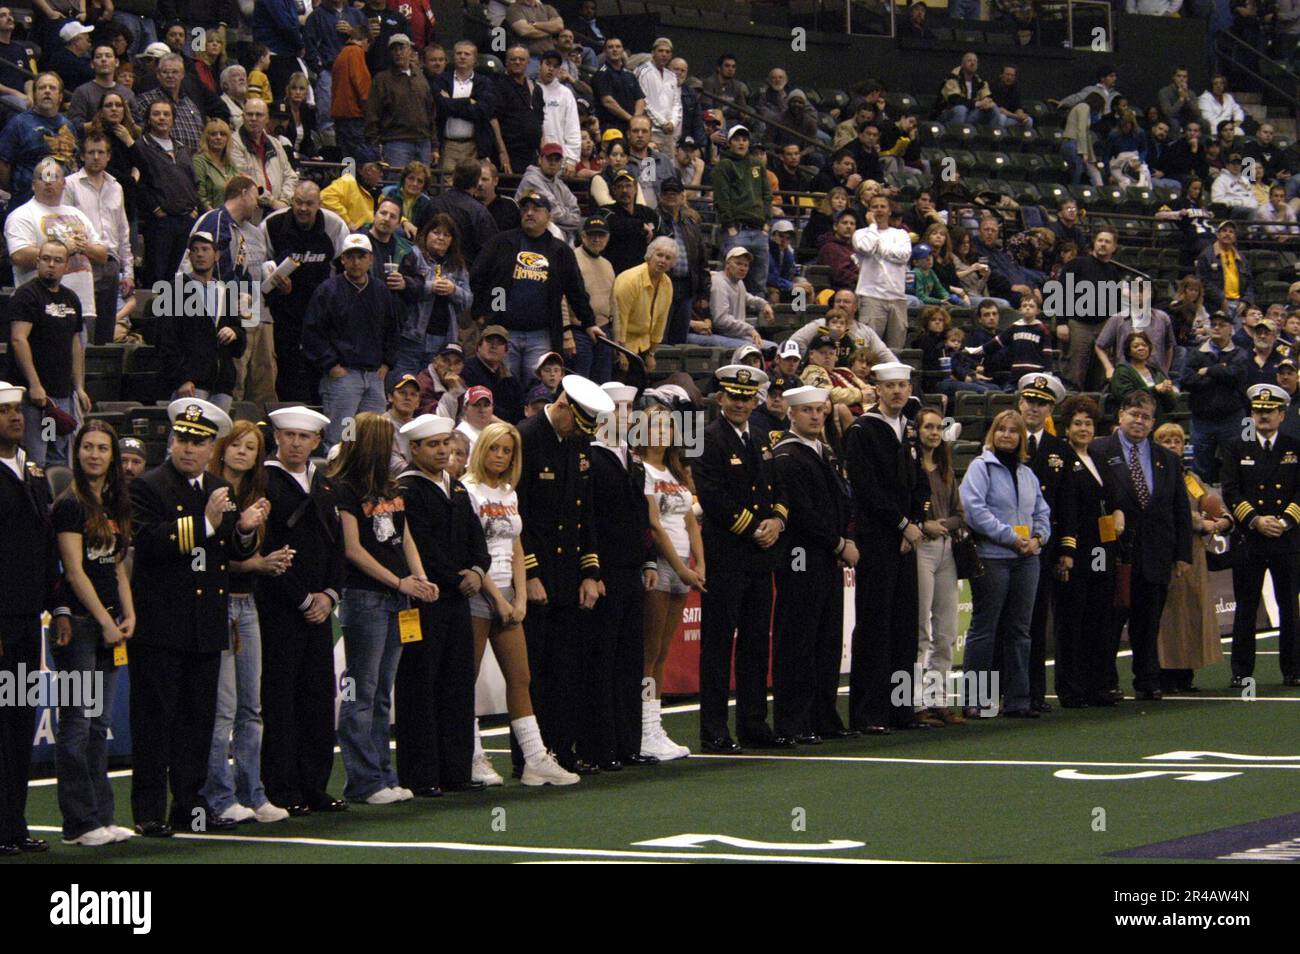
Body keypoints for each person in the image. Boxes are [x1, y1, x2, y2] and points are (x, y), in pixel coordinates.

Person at [128, 398, 266, 837]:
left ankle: (189, 805)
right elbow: (149, 543)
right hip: (162, 623)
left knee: (197, 722)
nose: (189, 448)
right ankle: (150, 810)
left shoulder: (216, 488)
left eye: (199, 442)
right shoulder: (148, 486)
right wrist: (205, 524)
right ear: (171, 441)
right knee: (156, 721)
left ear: (211, 448)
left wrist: (243, 528)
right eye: (183, 439)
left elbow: (229, 552)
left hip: (206, 623)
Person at [461, 420, 578, 786]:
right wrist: (498, 598)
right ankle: (474, 757)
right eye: (494, 448)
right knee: (469, 680)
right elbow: (472, 549)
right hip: (478, 596)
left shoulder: (510, 493)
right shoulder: (468, 490)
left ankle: (534, 758)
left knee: (521, 678)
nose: (500, 456)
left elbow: (516, 546)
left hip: (510, 596)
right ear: (482, 450)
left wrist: (521, 597)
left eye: (507, 450)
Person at [330, 412, 437, 805]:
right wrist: (398, 581)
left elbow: (404, 537)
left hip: (398, 596)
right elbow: (352, 549)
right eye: (388, 441)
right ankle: (364, 780)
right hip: (365, 597)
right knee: (362, 689)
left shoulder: (392, 488)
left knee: (381, 692)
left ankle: (382, 774)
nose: (394, 449)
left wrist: (420, 578)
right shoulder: (343, 488)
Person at [515, 375, 612, 774]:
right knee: (536, 671)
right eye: (577, 422)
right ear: (563, 406)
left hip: (570, 574)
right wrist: (531, 572)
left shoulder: (576, 442)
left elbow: (582, 511)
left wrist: (591, 571)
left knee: (567, 668)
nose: (579, 432)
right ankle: (531, 758)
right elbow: (517, 514)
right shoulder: (525, 438)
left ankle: (562, 748)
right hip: (538, 575)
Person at [197, 421, 292, 825]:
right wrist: (253, 559)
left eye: (250, 447)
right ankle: (219, 796)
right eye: (236, 444)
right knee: (223, 709)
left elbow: (244, 549)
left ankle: (254, 792)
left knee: (251, 707)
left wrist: (256, 550)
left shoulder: (257, 496)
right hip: (217, 604)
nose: (242, 452)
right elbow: (207, 554)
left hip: (247, 604)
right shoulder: (209, 491)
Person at [256, 406, 347, 816]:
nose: (295, 443)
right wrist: (303, 598)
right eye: (288, 435)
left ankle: (315, 785)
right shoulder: (265, 483)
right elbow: (268, 549)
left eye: (303, 437)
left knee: (316, 698)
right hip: (280, 607)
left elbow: (336, 547)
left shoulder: (323, 485)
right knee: (281, 699)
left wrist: (329, 593)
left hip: (320, 607)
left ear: (316, 442)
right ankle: (282, 787)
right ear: (277, 438)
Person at [391, 415, 488, 795]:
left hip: (459, 601)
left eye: (446, 442)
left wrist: (479, 569)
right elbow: (421, 546)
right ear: (414, 449)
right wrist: (457, 576)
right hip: (426, 600)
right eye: (433, 445)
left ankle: (456, 769)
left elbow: (475, 538)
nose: (443, 450)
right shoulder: (407, 491)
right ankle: (421, 775)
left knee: (457, 683)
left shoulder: (458, 489)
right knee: (421, 685)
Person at [50, 421, 136, 846]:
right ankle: (79, 824)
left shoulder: (114, 503)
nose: (95, 455)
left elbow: (116, 565)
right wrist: (104, 620)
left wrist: (129, 613)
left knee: (99, 725)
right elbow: (73, 569)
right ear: (77, 452)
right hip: (81, 627)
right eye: (87, 447)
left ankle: (102, 816)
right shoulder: (70, 505)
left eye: (103, 448)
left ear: (112, 456)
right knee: (76, 726)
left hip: (109, 625)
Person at [695, 364, 788, 751]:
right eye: (734, 396)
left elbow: (778, 486)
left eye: (747, 398)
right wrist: (755, 527)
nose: (741, 404)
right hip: (726, 556)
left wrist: (778, 521)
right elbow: (713, 496)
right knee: (718, 645)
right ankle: (715, 727)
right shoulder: (708, 439)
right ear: (721, 398)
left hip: (761, 558)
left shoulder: (764, 437)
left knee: (755, 644)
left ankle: (753, 722)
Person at [769, 386, 859, 741]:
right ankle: (794, 721)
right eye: (807, 410)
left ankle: (824, 716)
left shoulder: (825, 451)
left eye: (820, 410)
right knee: (799, 641)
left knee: (826, 640)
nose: (816, 416)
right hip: (801, 557)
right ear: (792, 414)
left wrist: (846, 537)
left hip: (827, 556)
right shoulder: (787, 456)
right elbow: (803, 512)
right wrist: (839, 542)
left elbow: (842, 500)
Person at [842, 362, 929, 731]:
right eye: (890, 386)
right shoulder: (863, 430)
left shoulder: (908, 429)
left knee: (905, 624)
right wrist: (902, 525)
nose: (897, 392)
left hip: (905, 541)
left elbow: (918, 483)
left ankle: (901, 707)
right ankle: (868, 712)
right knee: (875, 625)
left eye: (902, 385)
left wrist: (916, 522)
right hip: (877, 538)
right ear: (877, 389)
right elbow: (866, 488)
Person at [0, 378, 66, 856]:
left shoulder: (32, 473)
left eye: (17, 410)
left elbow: (47, 550)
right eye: (4, 412)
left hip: (27, 623)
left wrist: (58, 605)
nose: (15, 418)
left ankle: (13, 824)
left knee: (19, 721)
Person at [1095, 390, 1193, 701]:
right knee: (1110, 623)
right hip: (1115, 553)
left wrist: (1183, 554)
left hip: (1156, 553)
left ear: (1153, 423)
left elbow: (1179, 509)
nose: (1139, 421)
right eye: (1133, 414)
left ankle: (1148, 681)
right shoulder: (1098, 450)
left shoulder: (1167, 458)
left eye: (1145, 417)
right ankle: (1106, 682)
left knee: (1148, 623)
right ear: (1120, 415)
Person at [958, 410, 1051, 718]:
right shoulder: (980, 467)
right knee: (985, 628)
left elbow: (1042, 510)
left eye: (1014, 431)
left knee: (1020, 631)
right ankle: (975, 699)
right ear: (993, 434)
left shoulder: (1027, 473)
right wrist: (1011, 537)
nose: (1008, 435)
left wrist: (1039, 537)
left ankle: (1018, 699)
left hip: (1027, 559)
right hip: (992, 557)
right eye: (1002, 430)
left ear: (1021, 437)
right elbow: (974, 510)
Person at [587, 384, 659, 769]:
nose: (625, 415)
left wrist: (648, 560)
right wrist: (593, 569)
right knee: (604, 658)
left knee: (630, 658)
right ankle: (603, 745)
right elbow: (591, 522)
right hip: (606, 571)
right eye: (617, 407)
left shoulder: (630, 458)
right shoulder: (592, 458)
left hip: (632, 569)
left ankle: (629, 742)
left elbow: (639, 518)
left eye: (629, 408)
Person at [469, 192, 602, 383]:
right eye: (525, 209)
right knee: (503, 384)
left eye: (536, 209)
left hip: (541, 333)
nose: (529, 213)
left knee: (537, 387)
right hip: (503, 331)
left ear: (549, 216)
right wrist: (481, 311)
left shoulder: (560, 250)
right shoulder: (502, 243)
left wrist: (589, 322)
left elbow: (576, 290)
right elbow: (479, 276)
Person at [1221, 383, 1300, 688]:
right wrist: (1255, 519)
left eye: (1269, 412)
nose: (1263, 417)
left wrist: (1285, 521)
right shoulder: (1236, 446)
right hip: (1250, 538)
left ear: (1282, 414)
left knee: (1289, 606)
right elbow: (1230, 490)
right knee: (1245, 606)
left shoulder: (1295, 447)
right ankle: (1241, 672)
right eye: (1258, 411)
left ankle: (1293, 669)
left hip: (1286, 538)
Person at [638, 402, 702, 760]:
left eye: (667, 426)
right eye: (655, 426)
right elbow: (655, 525)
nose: (662, 432)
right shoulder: (643, 470)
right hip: (662, 567)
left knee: (663, 652)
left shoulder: (675, 470)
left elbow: (690, 520)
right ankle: (645, 729)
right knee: (649, 653)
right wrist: (680, 567)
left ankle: (654, 724)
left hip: (683, 567)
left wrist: (700, 561)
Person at [1050, 395, 1122, 707]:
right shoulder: (1062, 457)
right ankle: (1072, 688)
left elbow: (1112, 496)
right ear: (1067, 426)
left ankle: (1098, 684)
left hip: (1103, 549)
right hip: (1075, 549)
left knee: (1100, 618)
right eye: (1078, 423)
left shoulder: (1099, 456)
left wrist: (1119, 511)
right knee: (1072, 620)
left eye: (1089, 423)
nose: (1084, 428)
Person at [302, 233, 403, 449]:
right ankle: (337, 481)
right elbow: (312, 334)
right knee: (342, 440)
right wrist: (331, 366)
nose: (356, 262)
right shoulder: (328, 291)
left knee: (370, 441)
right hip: (344, 379)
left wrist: (387, 363)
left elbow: (393, 330)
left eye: (361, 256)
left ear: (370, 259)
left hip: (374, 378)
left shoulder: (381, 292)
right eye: (351, 256)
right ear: (343, 260)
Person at [1153, 422, 1227, 693]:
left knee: (1192, 613)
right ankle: (1164, 673)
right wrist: (1198, 521)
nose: (1173, 445)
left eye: (1177, 441)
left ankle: (1186, 671)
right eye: (1166, 441)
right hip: (1168, 551)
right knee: (1168, 617)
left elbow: (1214, 504)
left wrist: (1222, 521)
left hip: (1194, 553)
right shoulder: (1156, 475)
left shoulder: (1191, 479)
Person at [260, 181, 350, 403]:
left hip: (321, 315)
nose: (303, 209)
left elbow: (346, 269)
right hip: (282, 313)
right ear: (292, 201)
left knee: (316, 373)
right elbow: (260, 267)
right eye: (298, 202)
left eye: (309, 204)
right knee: (286, 373)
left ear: (319, 204)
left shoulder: (335, 226)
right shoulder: (272, 225)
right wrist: (274, 283)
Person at [7, 240, 87, 469]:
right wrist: (34, 384)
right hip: (35, 399)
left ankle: (55, 504)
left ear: (66, 266)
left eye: (57, 260)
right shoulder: (27, 295)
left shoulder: (71, 298)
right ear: (38, 261)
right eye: (46, 259)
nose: (51, 265)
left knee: (58, 456)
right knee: (36, 458)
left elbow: (76, 344)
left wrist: (79, 387)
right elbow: (18, 339)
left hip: (60, 396)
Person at [7, 156, 107, 337]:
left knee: (76, 363)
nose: (48, 183)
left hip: (80, 306)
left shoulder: (78, 215)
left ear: (64, 184)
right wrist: (64, 249)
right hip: (41, 307)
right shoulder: (22, 214)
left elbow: (102, 254)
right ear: (33, 184)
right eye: (42, 178)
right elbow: (19, 255)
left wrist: (83, 247)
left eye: (54, 178)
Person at [911, 406, 966, 725]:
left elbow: (960, 512)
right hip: (922, 547)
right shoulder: (912, 467)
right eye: (927, 427)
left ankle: (939, 699)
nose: (933, 432)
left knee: (945, 631)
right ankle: (915, 703)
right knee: (921, 629)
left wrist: (943, 523)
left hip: (946, 547)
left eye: (937, 428)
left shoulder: (946, 469)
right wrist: (924, 523)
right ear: (917, 431)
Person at [156, 229, 246, 411]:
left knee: (218, 438)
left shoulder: (225, 291)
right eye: (195, 250)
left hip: (222, 385)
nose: (199, 254)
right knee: (187, 436)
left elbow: (240, 342)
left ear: (217, 255)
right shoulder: (173, 290)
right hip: (191, 385)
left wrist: (234, 332)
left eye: (205, 249)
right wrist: (181, 378)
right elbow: (165, 340)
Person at [133, 98, 202, 285]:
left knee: (181, 276)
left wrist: (194, 207)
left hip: (186, 219)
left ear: (173, 119)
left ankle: (176, 314)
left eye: (166, 114)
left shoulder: (181, 147)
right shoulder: (141, 146)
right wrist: (155, 209)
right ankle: (157, 314)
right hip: (161, 221)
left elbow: (193, 181)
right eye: (156, 114)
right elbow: (139, 186)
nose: (161, 118)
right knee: (157, 276)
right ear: (148, 119)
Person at [393, 213, 472, 376]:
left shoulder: (457, 264)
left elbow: (468, 300)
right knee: (404, 384)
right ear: (426, 234)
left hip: (444, 339)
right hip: (412, 336)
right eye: (436, 232)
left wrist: (454, 290)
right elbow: (403, 287)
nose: (441, 238)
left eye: (446, 235)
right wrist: (430, 287)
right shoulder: (413, 255)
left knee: (431, 391)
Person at [1181, 311, 1249, 482]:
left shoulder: (1241, 353)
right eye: (1214, 324)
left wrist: (1208, 371)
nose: (1217, 328)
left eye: (1222, 325)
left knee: (1234, 464)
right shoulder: (1196, 353)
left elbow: (1236, 376)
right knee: (1200, 468)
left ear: (1231, 329)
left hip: (1231, 418)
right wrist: (1222, 371)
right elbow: (1187, 380)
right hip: (1202, 419)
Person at [0, 72, 78, 210]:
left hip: (62, 204)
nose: (47, 91)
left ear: (60, 97)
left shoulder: (69, 126)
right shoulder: (18, 124)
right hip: (26, 203)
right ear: (35, 94)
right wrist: (16, 189)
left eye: (52, 88)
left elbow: (73, 163)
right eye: (42, 88)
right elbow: (3, 164)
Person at [713, 123, 771, 296]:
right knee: (730, 280)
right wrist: (730, 226)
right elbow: (722, 197)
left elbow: (767, 194)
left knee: (759, 282)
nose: (741, 143)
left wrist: (766, 222)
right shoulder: (724, 165)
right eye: (737, 139)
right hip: (737, 230)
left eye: (744, 139)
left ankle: (759, 320)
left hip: (759, 230)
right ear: (730, 143)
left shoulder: (757, 165)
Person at [366, 34, 435, 168]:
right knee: (395, 184)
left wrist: (434, 145)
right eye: (394, 49)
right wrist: (374, 145)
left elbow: (431, 112)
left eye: (401, 48)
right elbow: (372, 113)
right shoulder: (382, 80)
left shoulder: (420, 77)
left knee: (423, 184)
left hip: (423, 141)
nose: (398, 53)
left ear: (410, 50)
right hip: (396, 142)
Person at [854, 194, 912, 351]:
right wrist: (872, 226)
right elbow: (866, 248)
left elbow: (904, 255)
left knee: (896, 350)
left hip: (897, 297)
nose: (879, 210)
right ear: (869, 211)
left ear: (889, 211)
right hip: (872, 296)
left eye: (883, 206)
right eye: (875, 207)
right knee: (867, 348)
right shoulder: (860, 233)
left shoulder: (901, 234)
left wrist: (879, 248)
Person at [564, 215, 616, 382]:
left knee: (602, 384)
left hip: (604, 331)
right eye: (592, 234)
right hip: (578, 331)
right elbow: (562, 300)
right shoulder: (571, 259)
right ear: (583, 236)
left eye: (601, 235)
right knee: (580, 384)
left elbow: (614, 304)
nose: (596, 239)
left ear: (607, 238)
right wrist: (567, 334)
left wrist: (617, 337)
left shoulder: (607, 264)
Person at [434, 40, 496, 176]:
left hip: (473, 146)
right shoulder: (442, 80)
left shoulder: (484, 83)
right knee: (447, 186)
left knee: (471, 185)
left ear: (474, 59)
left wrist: (451, 103)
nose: (462, 56)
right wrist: (468, 101)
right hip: (448, 146)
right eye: (459, 53)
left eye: (467, 54)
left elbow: (482, 111)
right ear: (453, 57)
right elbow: (441, 107)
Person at [613, 236, 676, 368]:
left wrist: (652, 353)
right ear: (650, 255)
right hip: (621, 344)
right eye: (659, 255)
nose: (663, 261)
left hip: (644, 345)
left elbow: (661, 321)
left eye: (668, 258)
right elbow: (620, 319)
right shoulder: (629, 280)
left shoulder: (667, 284)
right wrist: (621, 352)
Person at [514, 141, 584, 242]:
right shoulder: (531, 180)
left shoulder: (559, 183)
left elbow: (576, 214)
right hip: (529, 228)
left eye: (556, 160)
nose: (552, 163)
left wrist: (563, 218)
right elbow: (552, 210)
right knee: (552, 229)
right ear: (540, 160)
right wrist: (567, 218)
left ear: (561, 163)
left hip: (560, 229)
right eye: (549, 159)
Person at [491, 45, 544, 176]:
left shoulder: (535, 88)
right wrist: (502, 152)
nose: (517, 62)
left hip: (531, 154)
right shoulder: (498, 85)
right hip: (509, 152)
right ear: (506, 62)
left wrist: (542, 151)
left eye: (521, 59)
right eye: (513, 59)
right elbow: (493, 119)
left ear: (528, 62)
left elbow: (540, 121)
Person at [1108, 330, 1179, 421]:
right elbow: (1125, 397)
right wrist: (1155, 389)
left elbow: (1171, 405)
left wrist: (1168, 391)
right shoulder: (1122, 371)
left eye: (1144, 345)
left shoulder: (1155, 372)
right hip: (1133, 420)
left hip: (1156, 421)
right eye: (1136, 346)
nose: (1141, 348)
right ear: (1129, 351)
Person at [67, 44, 137, 131]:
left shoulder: (127, 93)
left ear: (116, 62)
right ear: (92, 64)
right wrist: (102, 122)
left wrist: (129, 120)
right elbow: (73, 126)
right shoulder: (82, 92)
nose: (103, 59)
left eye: (108, 56)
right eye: (98, 57)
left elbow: (139, 127)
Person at [331, 25, 372, 160]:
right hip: (353, 115)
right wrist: (368, 110)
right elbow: (360, 82)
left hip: (341, 116)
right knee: (360, 160)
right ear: (365, 40)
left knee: (347, 161)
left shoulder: (342, 54)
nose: (367, 50)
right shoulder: (355, 52)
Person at [591, 36, 644, 137]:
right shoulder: (601, 74)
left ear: (622, 50)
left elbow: (640, 99)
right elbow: (608, 102)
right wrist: (630, 119)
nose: (614, 50)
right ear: (605, 51)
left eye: (618, 47)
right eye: (610, 47)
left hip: (631, 128)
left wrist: (636, 119)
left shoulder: (630, 75)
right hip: (611, 128)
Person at [938, 52, 995, 125]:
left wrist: (987, 102)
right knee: (961, 109)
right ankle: (956, 134)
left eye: (975, 61)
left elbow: (987, 95)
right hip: (947, 111)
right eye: (969, 60)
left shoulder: (979, 81)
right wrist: (977, 103)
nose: (972, 63)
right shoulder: (953, 79)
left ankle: (992, 135)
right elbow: (954, 100)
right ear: (962, 64)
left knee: (993, 108)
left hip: (970, 112)